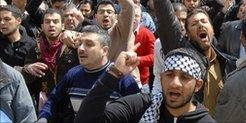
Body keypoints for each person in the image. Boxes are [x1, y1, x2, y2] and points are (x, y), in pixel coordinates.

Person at [75, 47, 215, 123]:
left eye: (184, 77)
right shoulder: (139, 106)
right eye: (169, 75)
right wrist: (113, 74)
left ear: (197, 85)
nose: (174, 83)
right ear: (161, 78)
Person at [37, 25, 140, 122]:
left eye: (89, 44)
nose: (81, 49)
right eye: (80, 43)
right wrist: (43, 118)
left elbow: (138, 112)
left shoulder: (121, 77)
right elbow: (53, 101)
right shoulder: (73, 75)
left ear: (104, 51)